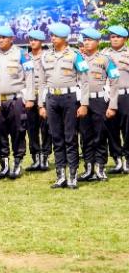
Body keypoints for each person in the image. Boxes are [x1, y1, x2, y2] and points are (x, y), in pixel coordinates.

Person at [37, 23, 90, 189]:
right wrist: (41, 105)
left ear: (64, 38)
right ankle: (60, 176)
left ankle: (72, 175)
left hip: (69, 98)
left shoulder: (75, 55)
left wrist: (84, 104)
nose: (52, 38)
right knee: (56, 137)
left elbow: (84, 80)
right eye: (51, 35)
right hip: (51, 99)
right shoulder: (45, 56)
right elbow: (42, 82)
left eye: (56, 36)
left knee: (70, 137)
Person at [0, 25, 35, 180]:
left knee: (18, 131)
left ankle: (17, 163)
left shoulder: (22, 54)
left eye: (3, 37)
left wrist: (30, 98)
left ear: (11, 39)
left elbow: (30, 77)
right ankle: (4, 165)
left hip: (15, 100)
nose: (0, 40)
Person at [78, 28, 118, 182]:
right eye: (85, 40)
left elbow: (114, 81)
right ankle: (88, 168)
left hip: (99, 101)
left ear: (98, 42)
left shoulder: (105, 59)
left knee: (100, 134)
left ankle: (100, 167)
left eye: (90, 40)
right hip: (82, 102)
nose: (87, 42)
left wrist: (112, 105)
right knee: (85, 135)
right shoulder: (78, 59)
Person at [104, 25, 129, 174]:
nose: (114, 39)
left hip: (126, 95)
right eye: (112, 37)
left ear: (125, 39)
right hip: (109, 96)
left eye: (118, 37)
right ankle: (117, 159)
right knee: (111, 128)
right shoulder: (104, 54)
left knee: (127, 128)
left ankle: (127, 159)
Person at [25, 30, 51, 171]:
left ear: (41, 41)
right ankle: (36, 158)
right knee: (31, 128)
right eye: (31, 40)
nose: (32, 42)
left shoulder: (47, 56)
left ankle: (45, 156)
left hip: (45, 95)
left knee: (46, 127)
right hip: (30, 96)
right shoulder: (26, 57)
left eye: (35, 40)